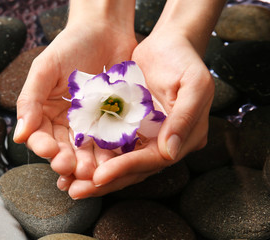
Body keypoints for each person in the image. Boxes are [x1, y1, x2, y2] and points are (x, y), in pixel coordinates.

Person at [13, 0, 226, 199]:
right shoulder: (92, 96)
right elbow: (84, 129)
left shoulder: (134, 96)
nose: (111, 106)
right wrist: (97, 19)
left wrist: (182, 30)